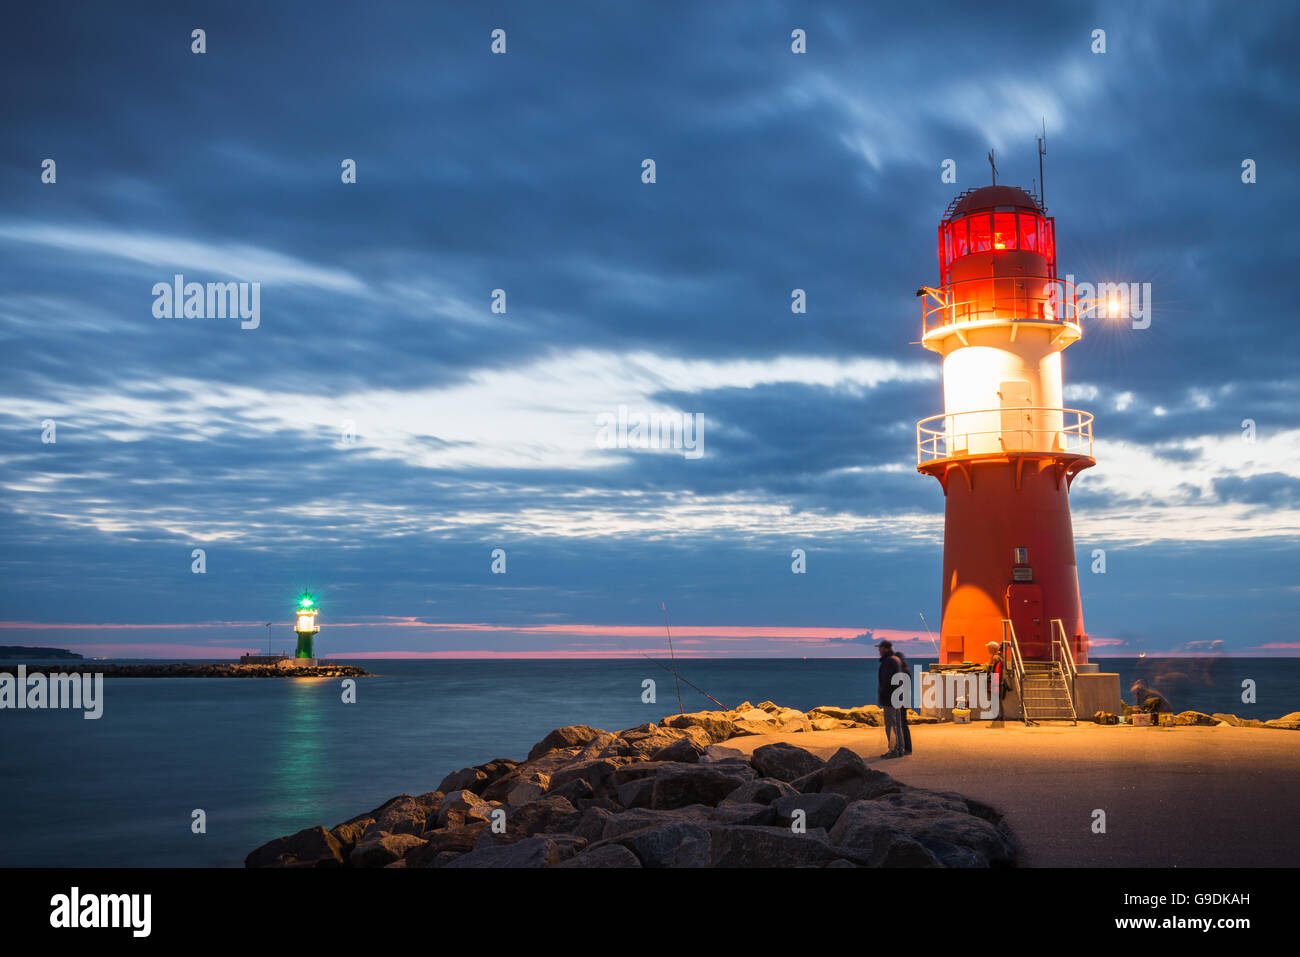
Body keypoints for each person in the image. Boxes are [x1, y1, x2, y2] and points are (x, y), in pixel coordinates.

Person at [877, 640, 909, 758]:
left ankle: (894, 750)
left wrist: (883, 695)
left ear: (885, 648)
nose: (878, 650)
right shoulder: (896, 660)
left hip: (890, 698)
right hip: (897, 697)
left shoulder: (889, 661)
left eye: (880, 648)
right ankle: (900, 749)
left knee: (891, 726)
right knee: (897, 725)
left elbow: (887, 681)